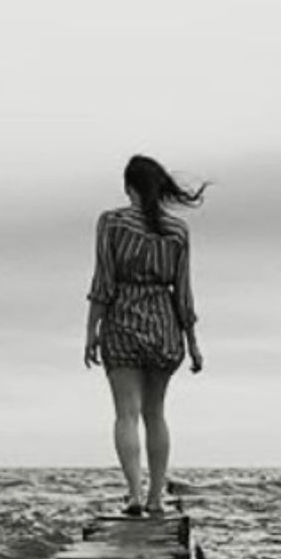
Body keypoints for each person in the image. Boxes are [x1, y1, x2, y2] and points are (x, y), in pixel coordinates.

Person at [84, 155, 207, 517]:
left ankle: (134, 495)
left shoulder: (111, 223)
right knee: (156, 414)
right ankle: (156, 498)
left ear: (129, 188)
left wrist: (91, 330)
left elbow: (103, 283)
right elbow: (183, 292)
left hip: (122, 322)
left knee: (126, 414)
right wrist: (194, 343)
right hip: (165, 327)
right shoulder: (178, 231)